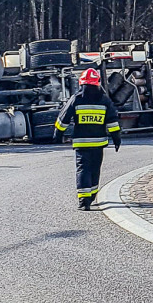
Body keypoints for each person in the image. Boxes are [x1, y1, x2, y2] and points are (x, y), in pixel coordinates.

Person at [55, 68, 121, 211]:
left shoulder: (76, 99)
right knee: (95, 170)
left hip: (82, 143)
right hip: (98, 144)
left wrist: (57, 134)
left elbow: (63, 119)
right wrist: (117, 139)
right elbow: (112, 122)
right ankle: (91, 195)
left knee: (83, 170)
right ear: (97, 83)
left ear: (82, 83)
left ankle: (84, 201)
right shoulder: (104, 100)